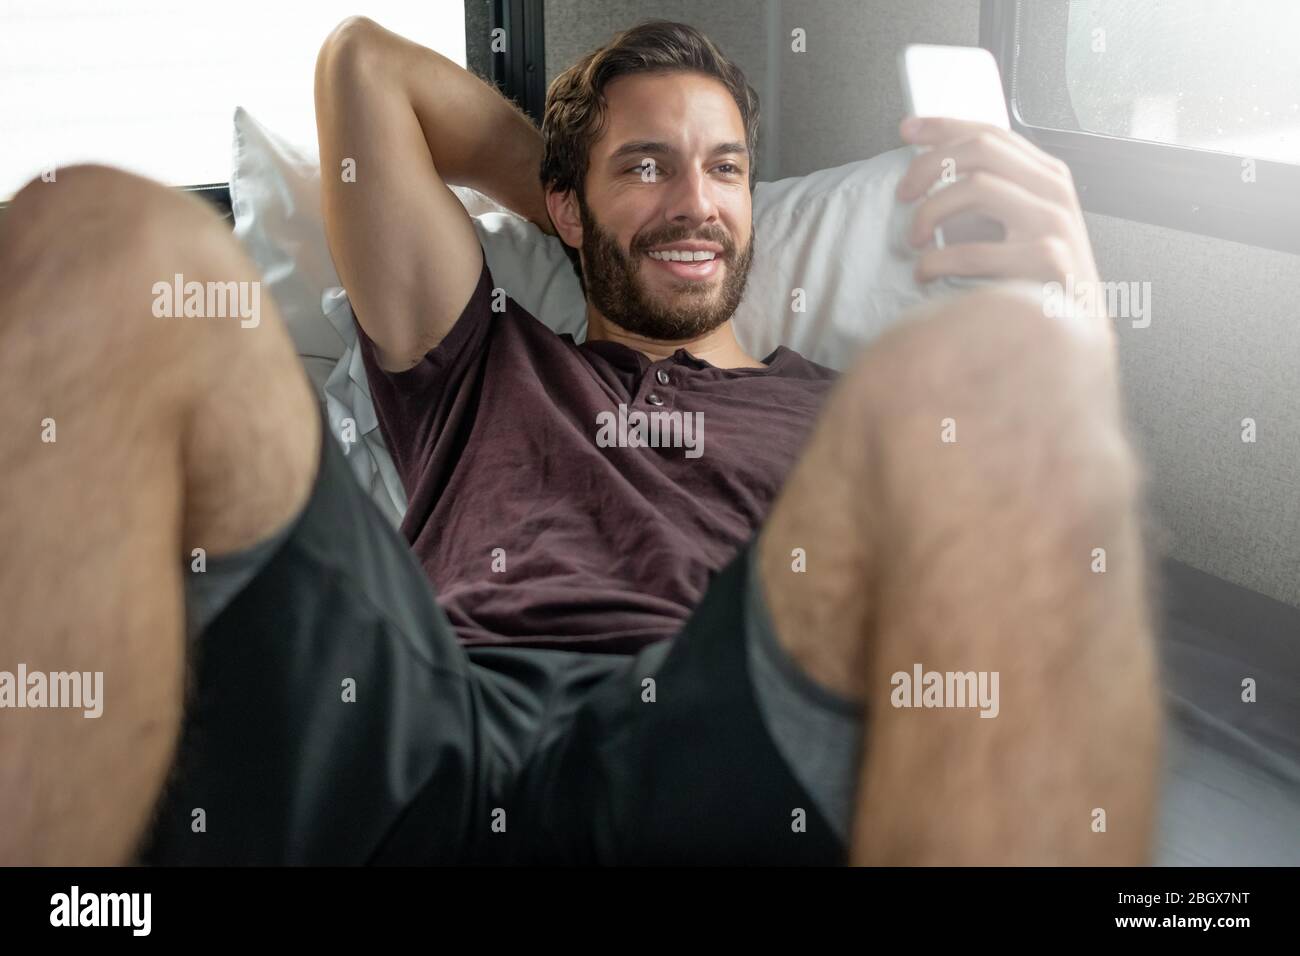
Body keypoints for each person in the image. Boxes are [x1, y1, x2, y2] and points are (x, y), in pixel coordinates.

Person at [0, 17, 1160, 865]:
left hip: (704, 745)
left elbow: (1037, 575)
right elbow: (363, 66)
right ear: (563, 205)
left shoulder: (857, 415)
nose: (695, 201)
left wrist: (1072, 329)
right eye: (647, 164)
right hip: (437, 729)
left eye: (724, 170)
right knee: (99, 234)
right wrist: (586, 207)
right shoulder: (485, 348)